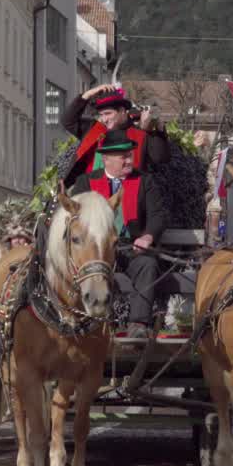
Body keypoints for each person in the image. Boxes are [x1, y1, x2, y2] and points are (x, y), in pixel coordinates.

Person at [70, 127, 168, 338]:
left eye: (130, 155)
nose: (129, 160)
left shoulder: (145, 181)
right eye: (123, 157)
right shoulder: (85, 182)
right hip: (97, 250)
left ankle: (138, 325)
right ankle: (89, 320)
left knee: (148, 265)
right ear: (106, 159)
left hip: (131, 248)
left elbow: (158, 215)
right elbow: (75, 218)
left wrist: (147, 236)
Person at [61, 83, 170, 187]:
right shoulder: (94, 128)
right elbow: (67, 121)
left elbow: (160, 157)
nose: (104, 119)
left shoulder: (140, 132)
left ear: (122, 111)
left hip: (126, 194)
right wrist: (88, 94)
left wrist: (157, 130)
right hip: (90, 192)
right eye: (101, 115)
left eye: (108, 113)